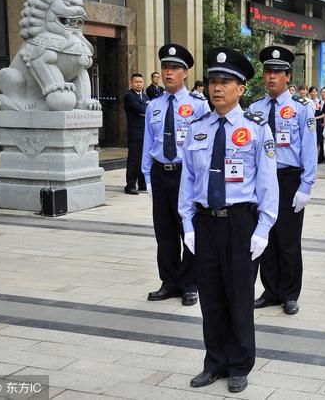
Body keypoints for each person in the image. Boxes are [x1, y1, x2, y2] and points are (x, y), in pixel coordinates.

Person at [178, 46, 278, 393]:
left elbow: (267, 183)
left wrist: (263, 228)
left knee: (238, 296)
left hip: (240, 222)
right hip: (206, 222)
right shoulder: (198, 127)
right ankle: (214, 361)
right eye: (212, 81)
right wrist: (187, 224)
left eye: (225, 82)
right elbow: (188, 181)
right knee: (211, 297)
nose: (217, 88)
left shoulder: (255, 129)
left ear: (240, 88)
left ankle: (239, 364)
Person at [248, 46, 317, 315]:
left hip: (289, 178)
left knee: (288, 240)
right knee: (266, 234)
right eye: (267, 72)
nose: (271, 77)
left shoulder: (302, 108)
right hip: (263, 180)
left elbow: (310, 149)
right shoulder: (255, 108)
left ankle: (289, 293)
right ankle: (271, 289)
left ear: (288, 76)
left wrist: (306, 185)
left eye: (277, 72)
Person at [141, 44, 210, 306]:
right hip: (161, 173)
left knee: (188, 228)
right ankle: (169, 281)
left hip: (186, 174)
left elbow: (205, 145)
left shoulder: (198, 105)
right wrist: (147, 177)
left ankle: (190, 283)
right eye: (165, 68)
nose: (168, 73)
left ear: (185, 74)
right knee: (165, 231)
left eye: (174, 69)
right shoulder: (154, 106)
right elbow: (148, 143)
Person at [123, 73, 148, 195]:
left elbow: (149, 111)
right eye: (136, 82)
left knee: (144, 159)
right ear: (131, 83)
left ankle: (142, 184)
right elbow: (142, 110)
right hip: (135, 133)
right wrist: (145, 110)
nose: (139, 84)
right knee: (134, 160)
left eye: (140, 82)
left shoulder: (145, 96)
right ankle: (130, 185)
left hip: (145, 133)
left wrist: (145, 111)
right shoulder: (129, 96)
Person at [316, 87, 325, 163]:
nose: (323, 94)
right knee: (320, 141)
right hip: (320, 124)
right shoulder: (319, 103)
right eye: (322, 92)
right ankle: (320, 158)